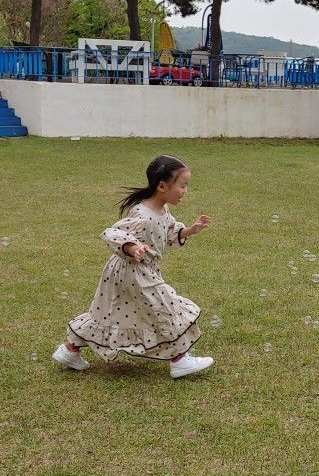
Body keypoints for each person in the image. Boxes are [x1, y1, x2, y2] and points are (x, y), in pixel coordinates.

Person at [53, 154, 214, 379]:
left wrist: (188, 231)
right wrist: (131, 248)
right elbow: (112, 233)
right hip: (133, 271)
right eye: (183, 185)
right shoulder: (142, 214)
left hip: (135, 271)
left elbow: (167, 232)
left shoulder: (162, 209)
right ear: (162, 186)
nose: (185, 190)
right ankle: (180, 360)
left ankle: (70, 351)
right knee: (164, 307)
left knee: (107, 314)